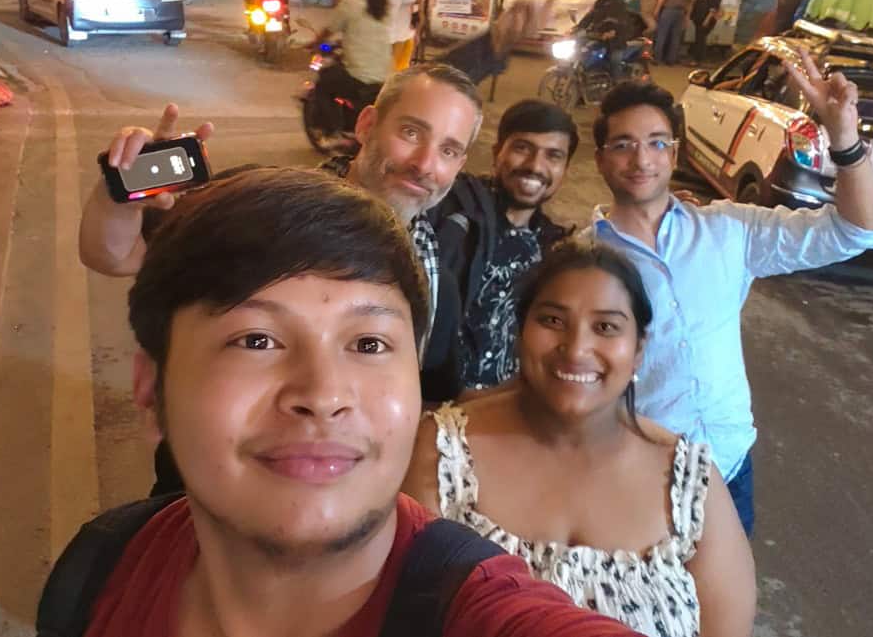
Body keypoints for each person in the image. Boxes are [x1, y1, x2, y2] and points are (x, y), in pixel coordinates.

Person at [75, 168, 645, 637]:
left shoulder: (484, 613)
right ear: (150, 386)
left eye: (369, 344)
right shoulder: (100, 570)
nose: (323, 396)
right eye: (256, 340)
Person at [79, 63, 485, 494]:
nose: (424, 164)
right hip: (205, 496)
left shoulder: (437, 278)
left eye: (448, 150)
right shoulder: (257, 210)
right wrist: (122, 193)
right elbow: (114, 254)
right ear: (367, 125)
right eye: (411, 132)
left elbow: (431, 399)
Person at [581, 58, 873, 535]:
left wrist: (844, 137)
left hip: (728, 468)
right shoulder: (581, 260)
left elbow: (856, 232)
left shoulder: (728, 230)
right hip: (634, 476)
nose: (642, 160)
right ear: (600, 159)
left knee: (729, 586)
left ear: (676, 154)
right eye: (623, 145)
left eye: (657, 143)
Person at [403, 239, 756, 637]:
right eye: (552, 320)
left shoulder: (691, 486)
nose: (576, 349)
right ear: (520, 332)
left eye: (605, 327)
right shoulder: (443, 452)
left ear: (639, 349)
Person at [429, 100, 578, 390]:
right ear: (497, 152)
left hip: (506, 406)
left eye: (553, 156)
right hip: (435, 399)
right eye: (522, 148)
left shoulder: (553, 249)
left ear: (565, 170)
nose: (535, 165)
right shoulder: (452, 211)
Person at [312, 0, 396, 133]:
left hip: (358, 77)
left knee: (323, 84)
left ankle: (334, 131)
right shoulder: (383, 6)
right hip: (384, 76)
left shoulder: (350, 4)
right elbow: (367, 35)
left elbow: (327, 33)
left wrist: (314, 44)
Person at [442, 0, 562, 85]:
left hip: (485, 54)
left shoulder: (499, 47)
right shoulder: (482, 45)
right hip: (474, 57)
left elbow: (530, 27)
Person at [575, 0, 646, 83]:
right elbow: (590, 16)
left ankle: (618, 84)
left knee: (614, 61)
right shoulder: (600, 3)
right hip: (599, 37)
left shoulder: (620, 5)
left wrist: (613, 32)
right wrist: (577, 27)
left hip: (616, 40)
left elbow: (621, 22)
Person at [653, 0, 695, 66]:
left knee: (662, 35)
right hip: (681, 13)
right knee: (675, 37)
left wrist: (657, 9)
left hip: (669, 10)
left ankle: (657, 59)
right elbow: (690, 2)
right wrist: (687, 16)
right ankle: (671, 60)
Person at [689, 0, 722, 64]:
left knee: (700, 40)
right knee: (699, 39)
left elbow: (713, 9)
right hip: (699, 19)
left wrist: (707, 20)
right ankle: (697, 58)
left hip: (706, 20)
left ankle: (697, 60)